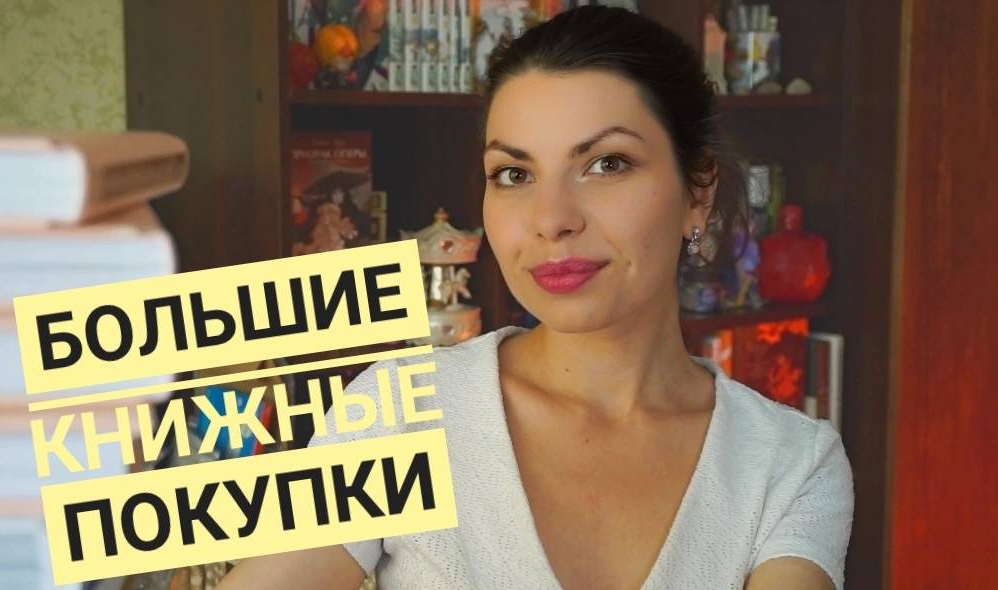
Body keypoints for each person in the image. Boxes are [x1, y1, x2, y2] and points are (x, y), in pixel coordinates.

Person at [218, 6, 853, 589]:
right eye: (514, 174)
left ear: (698, 192)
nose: (551, 219)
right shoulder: (403, 412)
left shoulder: (789, 465)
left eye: (606, 164)